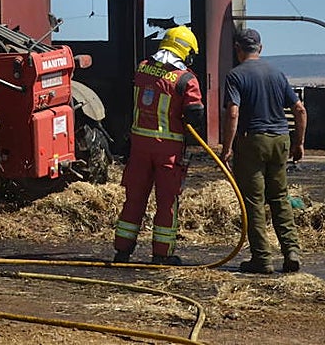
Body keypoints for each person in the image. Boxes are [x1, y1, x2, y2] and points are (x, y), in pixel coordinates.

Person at [112, 24, 206, 265]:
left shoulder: (143, 69)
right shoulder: (186, 79)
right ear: (186, 51)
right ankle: (162, 254)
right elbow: (195, 114)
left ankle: (122, 250)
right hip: (168, 150)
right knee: (167, 202)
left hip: (139, 147)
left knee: (134, 199)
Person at [219, 27, 307, 274]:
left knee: (254, 201)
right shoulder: (277, 74)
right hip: (280, 139)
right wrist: (299, 143)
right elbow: (300, 110)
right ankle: (292, 251)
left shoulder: (235, 76)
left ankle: (262, 258)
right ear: (261, 48)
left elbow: (233, 112)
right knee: (279, 197)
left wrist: (227, 148)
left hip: (253, 141)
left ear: (238, 50)